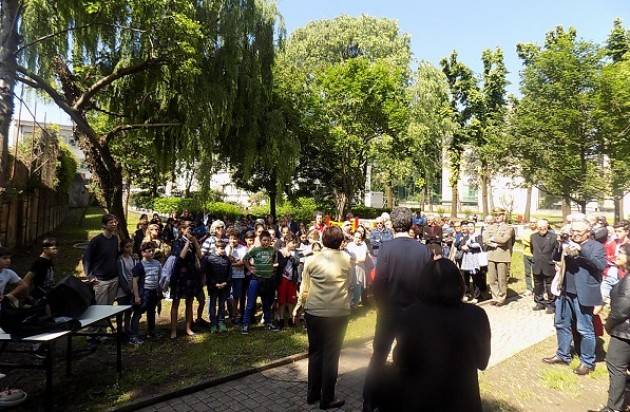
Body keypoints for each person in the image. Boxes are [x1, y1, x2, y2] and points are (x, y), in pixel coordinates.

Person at [375, 259, 491, 412]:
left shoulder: (411, 315)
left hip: (422, 399)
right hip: (464, 399)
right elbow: (482, 362)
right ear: (459, 283)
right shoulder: (476, 315)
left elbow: (402, 359)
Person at [363, 207, 432, 412]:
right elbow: (427, 284)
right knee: (409, 356)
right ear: (412, 225)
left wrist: (382, 306)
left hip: (389, 311)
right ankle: (407, 398)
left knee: (379, 355)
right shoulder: (423, 250)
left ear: (392, 225)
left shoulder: (386, 248)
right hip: (414, 313)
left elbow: (379, 282)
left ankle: (370, 400)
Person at [292, 226, 352, 410]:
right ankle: (327, 398)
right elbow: (350, 283)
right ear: (341, 241)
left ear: (323, 239)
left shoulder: (311, 260)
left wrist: (299, 308)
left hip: (314, 311)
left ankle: (312, 395)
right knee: (331, 356)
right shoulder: (347, 258)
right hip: (337, 312)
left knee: (315, 353)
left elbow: (304, 288)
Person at [543, 219, 606, 375]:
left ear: (588, 232)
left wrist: (581, 252)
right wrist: (559, 244)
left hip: (583, 293)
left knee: (584, 329)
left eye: (579, 231)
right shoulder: (568, 242)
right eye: (573, 231)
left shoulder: (596, 246)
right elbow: (556, 257)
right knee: (561, 323)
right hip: (565, 291)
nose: (575, 234)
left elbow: (600, 266)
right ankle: (563, 355)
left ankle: (587, 362)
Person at [601, 244, 630, 412]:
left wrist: (609, 324)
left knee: (616, 365)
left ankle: (614, 407)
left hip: (624, 332)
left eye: (621, 252)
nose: (616, 254)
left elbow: (621, 310)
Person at [169, 220, 202, 338]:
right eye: (188, 227)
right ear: (182, 229)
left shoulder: (193, 242)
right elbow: (181, 257)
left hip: (191, 276)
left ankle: (188, 328)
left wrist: (195, 243)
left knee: (189, 302)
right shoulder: (177, 242)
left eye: (192, 228)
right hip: (179, 276)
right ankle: (173, 330)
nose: (190, 229)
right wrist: (187, 243)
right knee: (176, 303)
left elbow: (200, 256)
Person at [242, 230, 278, 334]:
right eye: (264, 240)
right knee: (250, 304)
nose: (266, 242)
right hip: (256, 280)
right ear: (260, 240)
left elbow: (274, 263)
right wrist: (250, 269)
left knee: (267, 304)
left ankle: (268, 322)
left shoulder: (273, 250)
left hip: (268, 280)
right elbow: (245, 259)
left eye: (268, 240)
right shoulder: (255, 250)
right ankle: (245, 325)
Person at [129, 241, 162, 344]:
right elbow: (135, 281)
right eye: (148, 251)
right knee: (138, 313)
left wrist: (159, 291)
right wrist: (137, 296)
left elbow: (159, 278)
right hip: (143, 293)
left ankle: (151, 331)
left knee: (152, 312)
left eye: (152, 251)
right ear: (142, 252)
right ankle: (133, 336)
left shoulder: (157, 263)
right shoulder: (139, 266)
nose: (151, 253)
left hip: (153, 292)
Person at [83, 214, 120, 306]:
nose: (114, 224)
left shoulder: (115, 239)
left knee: (109, 308)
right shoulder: (96, 240)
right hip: (100, 281)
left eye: (115, 222)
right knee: (100, 309)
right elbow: (86, 259)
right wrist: (90, 276)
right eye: (111, 222)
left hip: (114, 279)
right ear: (104, 225)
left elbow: (115, 255)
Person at [482, 208, 515, 306]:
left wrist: (492, 238)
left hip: (503, 256)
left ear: (504, 216)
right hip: (491, 254)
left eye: (499, 215)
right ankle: (495, 296)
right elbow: (484, 239)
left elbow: (505, 240)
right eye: (495, 215)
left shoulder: (509, 228)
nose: (497, 217)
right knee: (492, 278)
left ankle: (501, 298)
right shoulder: (491, 227)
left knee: (502, 279)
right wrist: (494, 244)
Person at [202, 240, 232, 334]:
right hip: (213, 287)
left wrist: (226, 283)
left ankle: (221, 322)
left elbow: (230, 273)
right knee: (212, 304)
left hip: (224, 286)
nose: (223, 250)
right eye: (221, 248)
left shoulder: (227, 259)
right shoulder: (209, 259)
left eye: (224, 248)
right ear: (216, 248)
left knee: (222, 305)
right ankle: (213, 323)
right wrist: (214, 284)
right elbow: (207, 274)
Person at [531, 220, 557, 314]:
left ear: (547, 226)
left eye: (544, 227)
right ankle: (539, 303)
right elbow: (532, 249)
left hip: (549, 265)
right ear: (537, 227)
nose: (542, 229)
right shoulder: (533, 236)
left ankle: (551, 304)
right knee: (538, 285)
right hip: (537, 264)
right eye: (540, 227)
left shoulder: (554, 237)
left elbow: (556, 251)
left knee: (550, 285)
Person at [275, 233, 300, 329]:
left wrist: (291, 257)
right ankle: (281, 319)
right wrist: (285, 257)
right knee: (281, 300)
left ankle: (290, 318)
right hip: (282, 278)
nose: (294, 245)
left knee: (291, 300)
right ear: (286, 242)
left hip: (292, 279)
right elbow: (279, 265)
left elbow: (297, 262)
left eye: (295, 243)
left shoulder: (295, 253)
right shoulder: (280, 252)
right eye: (292, 243)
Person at [116, 238, 137, 338]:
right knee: (121, 310)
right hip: (123, 289)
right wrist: (128, 290)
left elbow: (135, 273)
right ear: (122, 248)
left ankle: (127, 328)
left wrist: (134, 288)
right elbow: (121, 275)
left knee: (129, 310)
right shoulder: (120, 260)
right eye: (127, 247)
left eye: (130, 247)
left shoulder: (133, 258)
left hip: (132, 287)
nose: (129, 249)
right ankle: (119, 330)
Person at [227, 230, 248, 324]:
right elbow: (227, 259)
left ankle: (237, 315)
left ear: (238, 239)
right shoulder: (227, 247)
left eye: (234, 238)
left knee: (237, 296)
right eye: (231, 238)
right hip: (228, 276)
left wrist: (233, 263)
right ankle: (231, 315)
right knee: (228, 296)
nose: (232, 241)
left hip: (239, 276)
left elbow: (243, 262)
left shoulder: (243, 248)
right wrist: (231, 251)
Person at [346, 231, 371, 307]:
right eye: (356, 237)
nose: (358, 239)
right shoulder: (349, 245)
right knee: (350, 286)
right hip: (350, 268)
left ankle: (355, 303)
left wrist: (353, 260)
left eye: (359, 237)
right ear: (353, 237)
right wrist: (354, 261)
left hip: (360, 269)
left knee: (358, 287)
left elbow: (363, 259)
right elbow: (346, 256)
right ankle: (349, 303)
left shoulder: (363, 245)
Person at [460, 222, 483, 303]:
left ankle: (477, 296)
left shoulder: (478, 236)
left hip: (475, 259)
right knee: (465, 277)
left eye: (471, 226)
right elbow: (461, 245)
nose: (469, 228)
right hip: (466, 259)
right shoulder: (465, 237)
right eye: (468, 226)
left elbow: (480, 245)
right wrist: (464, 247)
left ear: (474, 227)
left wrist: (469, 246)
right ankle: (467, 294)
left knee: (476, 278)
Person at [519, 220, 537, 295]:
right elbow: (523, 240)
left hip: (536, 255)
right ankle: (529, 289)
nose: (532, 224)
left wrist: (530, 242)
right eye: (531, 222)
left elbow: (536, 243)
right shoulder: (526, 231)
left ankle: (538, 289)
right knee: (527, 272)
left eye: (534, 222)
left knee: (536, 273)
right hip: (526, 254)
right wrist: (530, 242)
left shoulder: (538, 231)